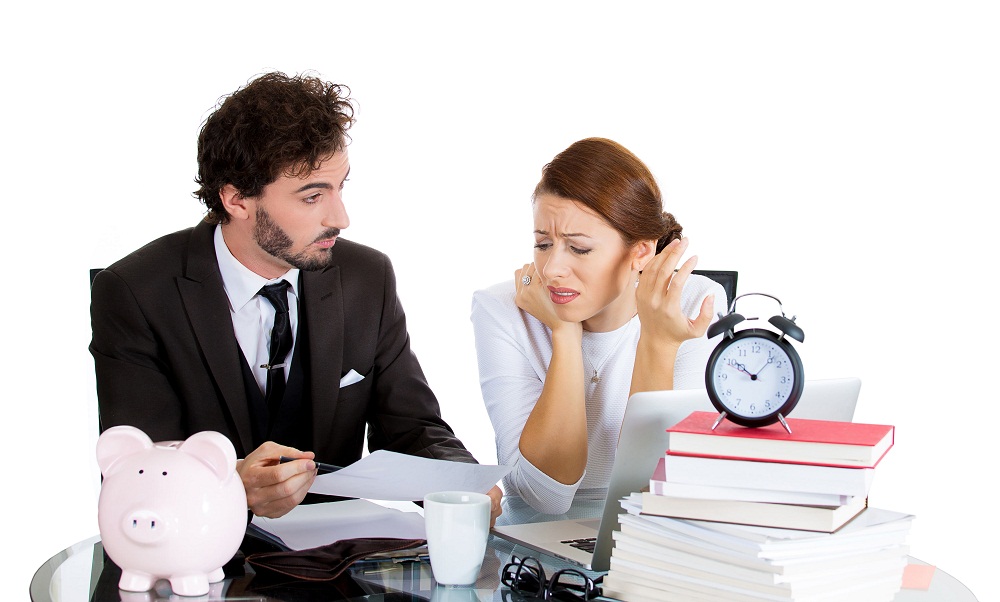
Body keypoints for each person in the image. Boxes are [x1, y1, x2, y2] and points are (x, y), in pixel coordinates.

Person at [90, 72, 502, 521]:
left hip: (337, 553)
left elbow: (412, 428)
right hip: (197, 549)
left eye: (340, 187)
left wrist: (462, 484)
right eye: (312, 197)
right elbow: (137, 470)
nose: (340, 217)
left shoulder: (367, 277)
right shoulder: (134, 292)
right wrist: (231, 485)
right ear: (237, 200)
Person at [471, 138, 727, 514]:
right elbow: (545, 498)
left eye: (579, 248)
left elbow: (652, 490)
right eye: (543, 244)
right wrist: (564, 333)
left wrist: (658, 341)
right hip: (531, 536)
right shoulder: (503, 309)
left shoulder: (693, 303)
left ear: (640, 251)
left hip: (649, 533)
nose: (552, 270)